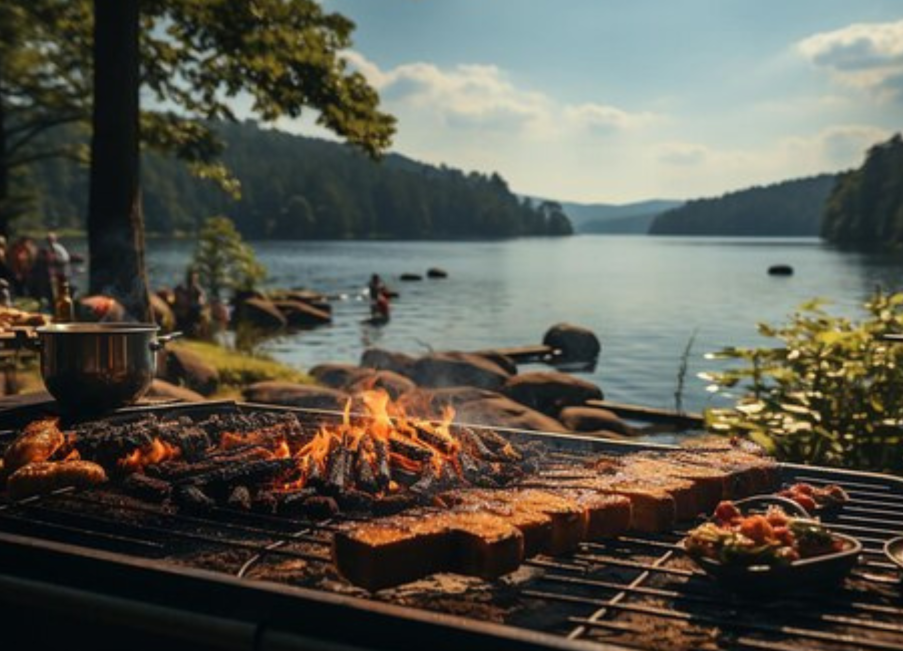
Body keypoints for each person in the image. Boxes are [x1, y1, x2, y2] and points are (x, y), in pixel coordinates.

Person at [173, 267, 208, 337]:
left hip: (191, 310)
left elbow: (202, 299)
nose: (194, 279)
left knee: (196, 310)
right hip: (183, 310)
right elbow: (180, 298)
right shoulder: (182, 287)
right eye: (193, 277)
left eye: (195, 277)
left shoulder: (197, 288)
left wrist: (200, 301)